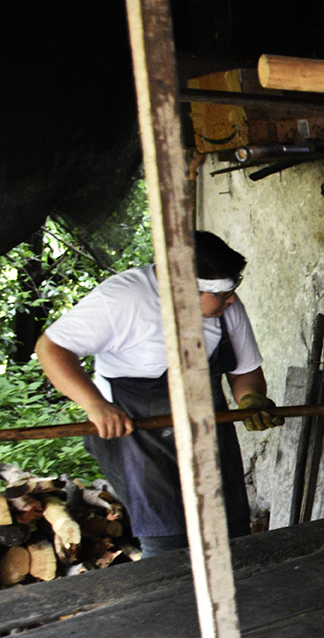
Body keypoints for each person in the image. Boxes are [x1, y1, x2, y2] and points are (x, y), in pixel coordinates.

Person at [35, 231, 283, 556]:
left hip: (206, 427)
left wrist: (251, 399)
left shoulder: (224, 309)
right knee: (168, 538)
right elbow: (51, 348)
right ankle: (171, 599)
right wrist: (95, 405)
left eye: (233, 290)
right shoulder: (124, 299)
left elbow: (245, 371)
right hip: (134, 432)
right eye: (224, 294)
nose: (232, 300)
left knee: (228, 531)